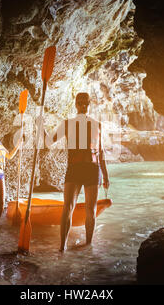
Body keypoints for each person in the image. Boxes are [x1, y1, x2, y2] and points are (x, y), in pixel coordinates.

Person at [39, 93, 110, 251]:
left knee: (90, 210)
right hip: (74, 169)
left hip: (93, 169)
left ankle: (88, 245)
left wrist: (106, 175)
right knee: (68, 206)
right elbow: (49, 142)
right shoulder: (67, 124)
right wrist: (41, 127)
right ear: (76, 105)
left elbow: (101, 151)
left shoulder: (97, 125)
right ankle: (62, 246)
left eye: (86, 103)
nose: (83, 105)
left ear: (90, 104)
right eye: (80, 103)